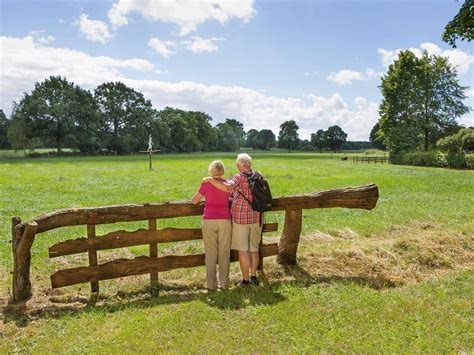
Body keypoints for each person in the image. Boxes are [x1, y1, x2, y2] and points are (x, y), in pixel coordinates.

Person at [203, 153, 262, 287]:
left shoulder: (239, 177)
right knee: (254, 248)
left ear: (238, 165)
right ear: (249, 165)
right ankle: (254, 277)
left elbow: (227, 188)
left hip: (241, 218)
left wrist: (209, 180)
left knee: (243, 249)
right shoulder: (258, 175)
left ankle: (246, 280)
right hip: (257, 217)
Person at [191, 160, 232, 291]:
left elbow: (194, 201)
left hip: (209, 220)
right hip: (225, 220)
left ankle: (211, 284)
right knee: (224, 253)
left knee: (210, 254)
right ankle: (224, 283)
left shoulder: (207, 184)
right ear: (223, 171)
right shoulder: (228, 184)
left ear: (211, 172)